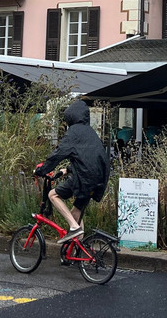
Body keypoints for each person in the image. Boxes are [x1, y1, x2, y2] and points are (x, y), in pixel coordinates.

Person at [34, 100, 110, 243]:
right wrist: (68, 170)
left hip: (85, 179)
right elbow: (87, 158)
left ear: (71, 117)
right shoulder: (90, 133)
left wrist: (41, 170)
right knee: (76, 212)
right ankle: (79, 249)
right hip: (98, 179)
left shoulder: (73, 133)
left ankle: (74, 228)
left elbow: (58, 154)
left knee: (53, 195)